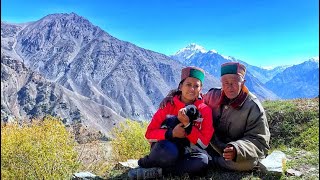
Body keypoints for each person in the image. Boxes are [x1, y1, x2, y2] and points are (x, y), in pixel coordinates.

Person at [160, 62, 270, 171]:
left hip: (232, 153)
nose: (229, 87)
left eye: (234, 82)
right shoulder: (213, 95)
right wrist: (173, 95)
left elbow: (260, 141)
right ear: (221, 82)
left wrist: (237, 149)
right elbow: (194, 96)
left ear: (243, 82)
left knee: (248, 163)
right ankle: (205, 160)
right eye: (225, 82)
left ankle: (211, 162)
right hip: (210, 145)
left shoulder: (253, 107)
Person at [128, 66, 214, 179]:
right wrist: (171, 134)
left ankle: (159, 172)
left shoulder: (205, 111)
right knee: (168, 150)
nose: (192, 89)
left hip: (188, 152)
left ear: (200, 89)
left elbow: (204, 143)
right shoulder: (168, 106)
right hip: (167, 149)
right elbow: (149, 134)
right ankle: (147, 162)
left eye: (196, 86)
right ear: (180, 86)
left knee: (202, 161)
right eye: (188, 84)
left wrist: (188, 126)